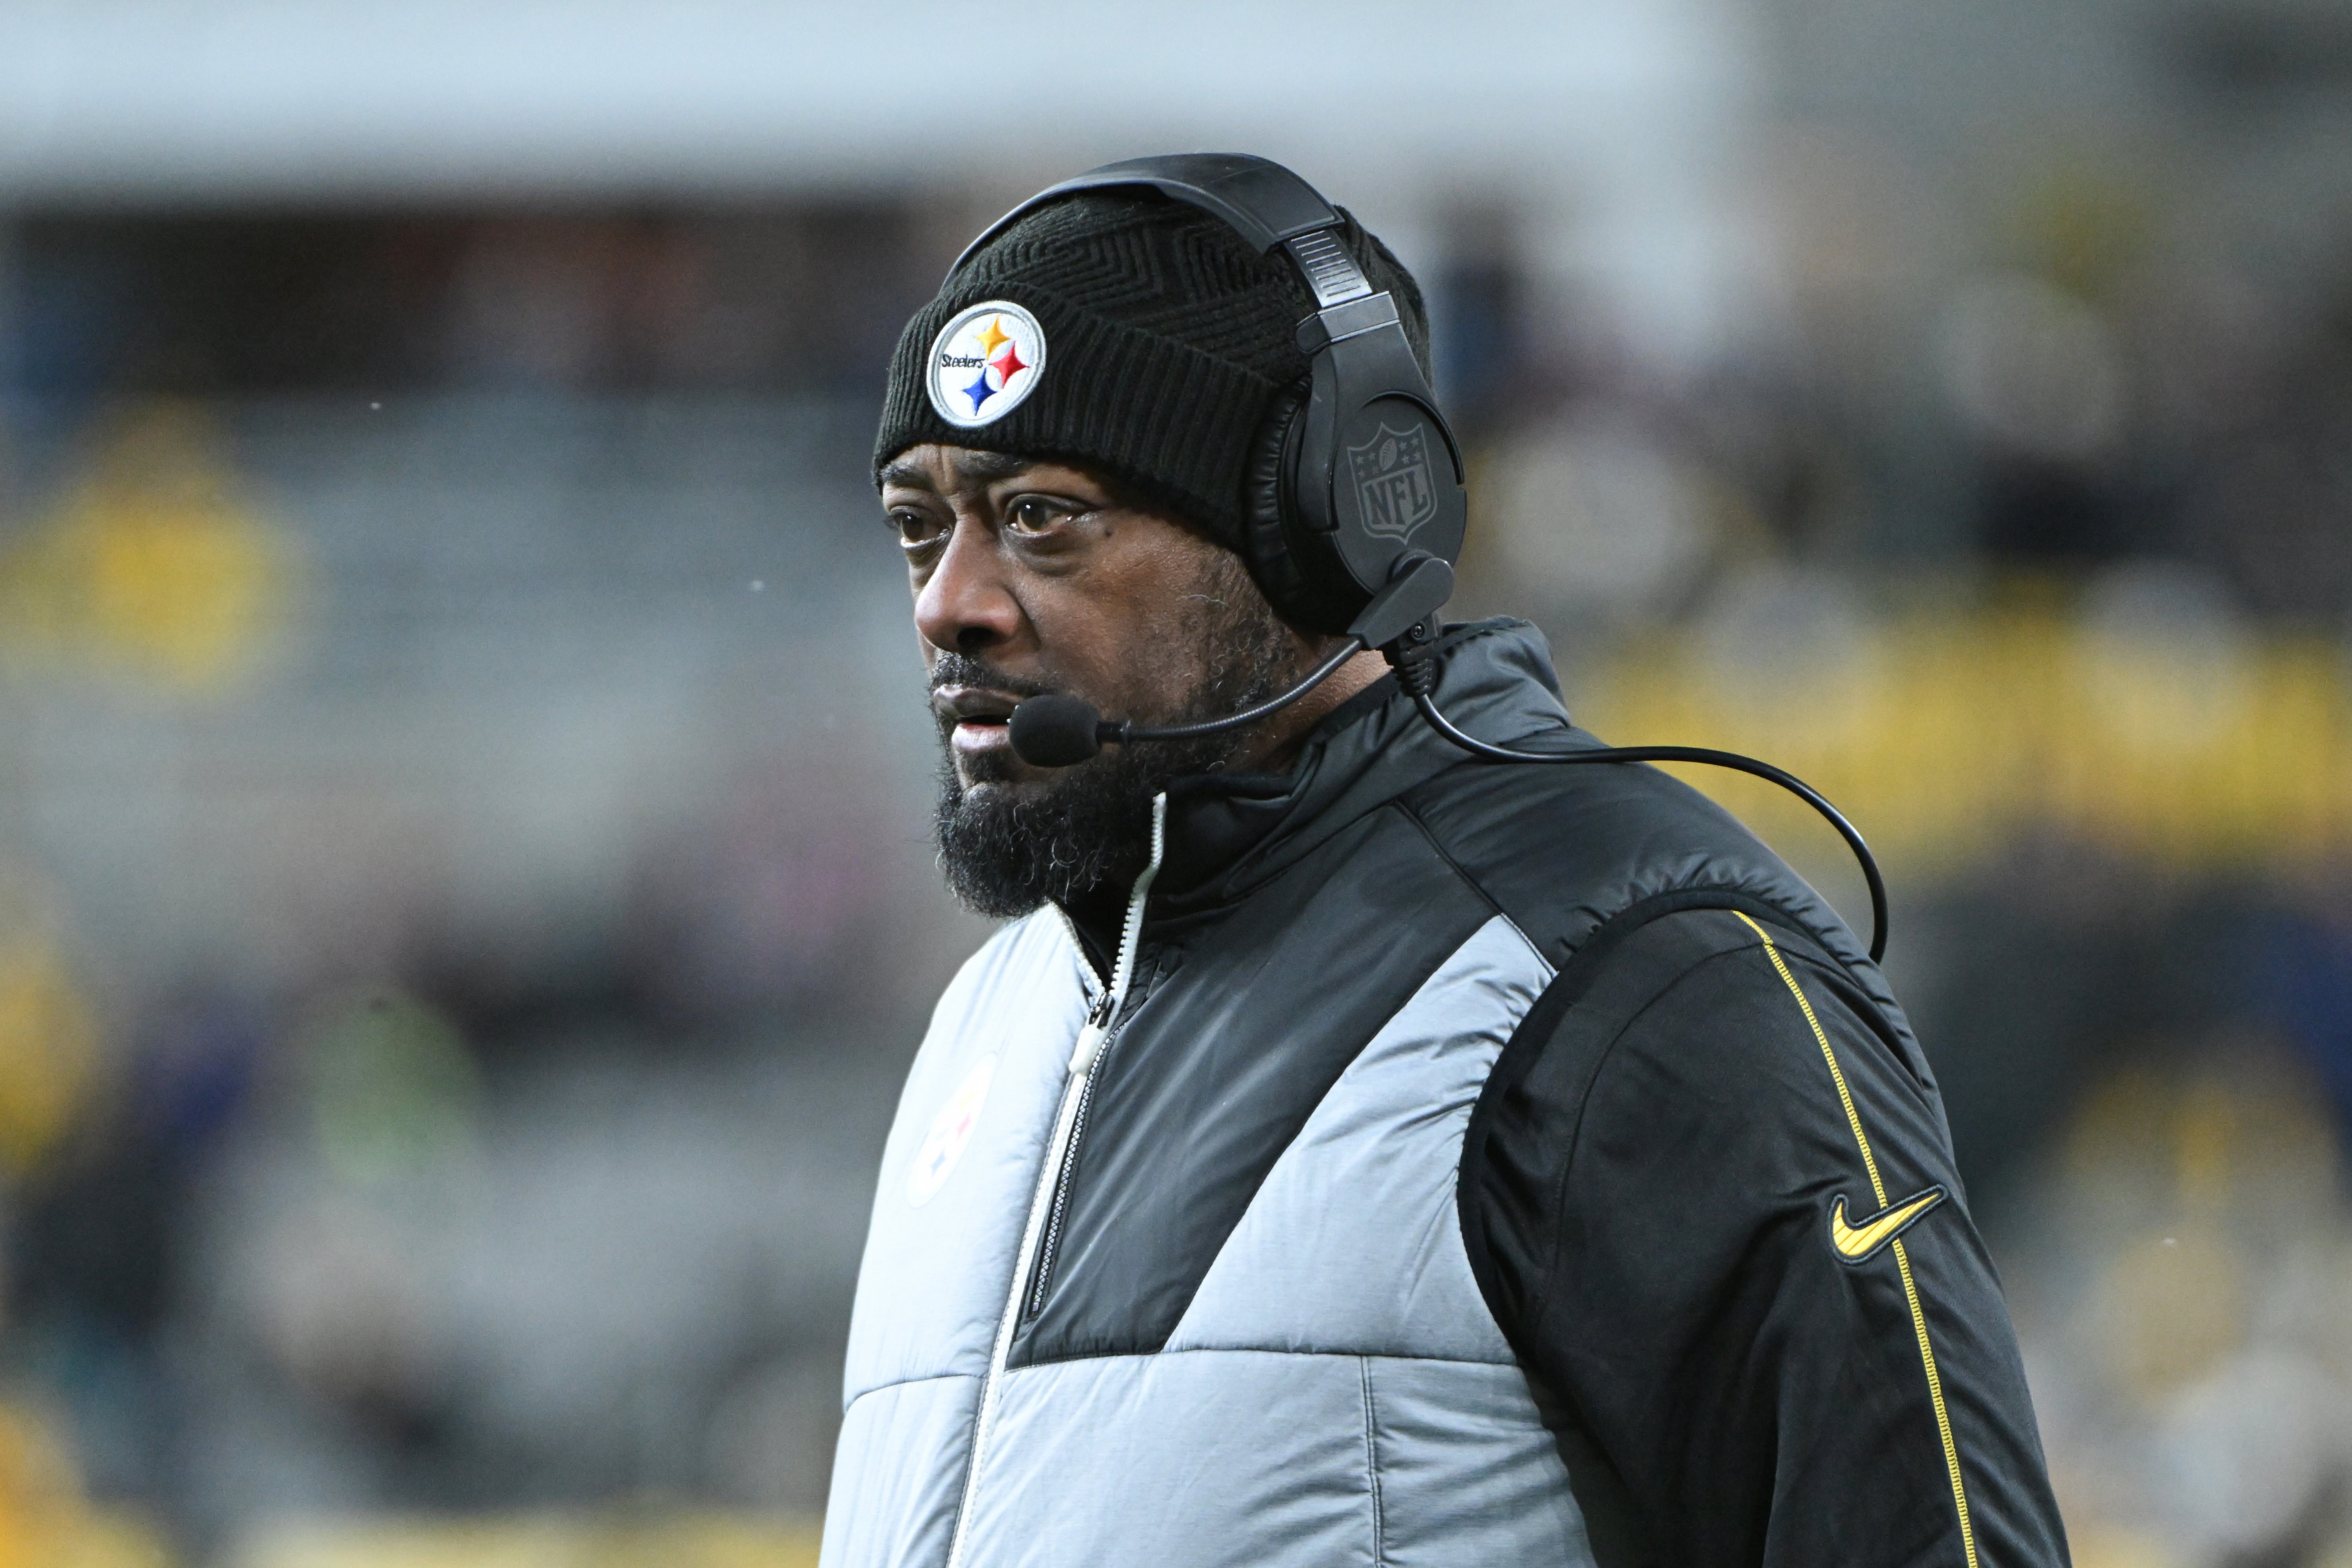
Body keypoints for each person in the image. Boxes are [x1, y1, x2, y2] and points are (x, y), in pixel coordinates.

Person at [822, 156, 2070, 1568]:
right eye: (919, 528)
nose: (948, 605)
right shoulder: (989, 1020)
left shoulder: (1641, 982)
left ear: (1324, 529)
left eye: (1043, 516)